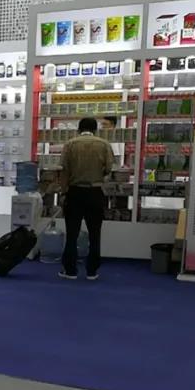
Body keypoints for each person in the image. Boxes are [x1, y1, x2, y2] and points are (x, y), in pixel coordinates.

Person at [59, 117, 115, 281]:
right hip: (95, 192)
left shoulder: (70, 144)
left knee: (72, 234)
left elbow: (64, 170)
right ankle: (92, 270)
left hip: (74, 192)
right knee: (95, 234)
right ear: (95, 129)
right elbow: (109, 168)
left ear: (79, 129)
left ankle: (70, 270)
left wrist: (63, 192)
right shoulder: (104, 144)